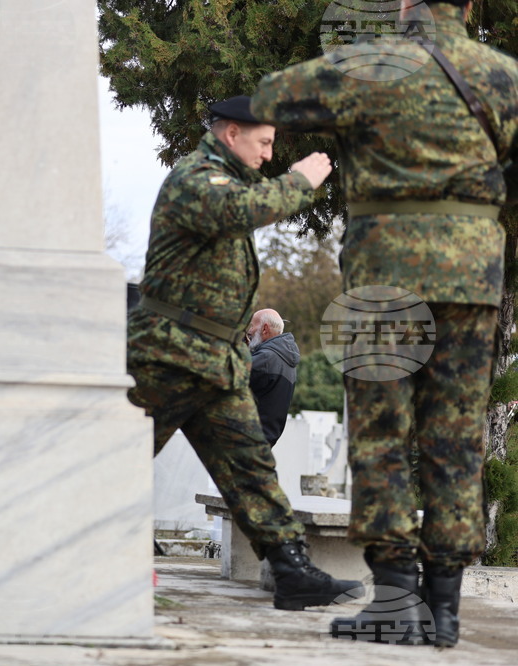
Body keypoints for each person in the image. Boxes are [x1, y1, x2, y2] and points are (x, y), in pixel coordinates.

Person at [252, 0, 517, 647]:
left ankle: (397, 600)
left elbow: (270, 96)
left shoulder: (368, 65)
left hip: (383, 280)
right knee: (456, 437)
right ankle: (447, 608)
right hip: (471, 281)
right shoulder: (502, 75)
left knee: (382, 439)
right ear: (471, 7)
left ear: (405, 6)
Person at [127, 95, 361, 611]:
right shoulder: (195, 178)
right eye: (264, 141)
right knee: (114, 459)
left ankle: (292, 570)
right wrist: (301, 180)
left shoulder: (226, 180)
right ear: (231, 133)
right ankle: (31, 547)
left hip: (216, 361)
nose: (269, 154)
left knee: (252, 468)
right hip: (169, 354)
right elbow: (240, 210)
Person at [246, 309, 300, 447]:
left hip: (250, 437)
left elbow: (232, 375)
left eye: (252, 325)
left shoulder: (266, 358)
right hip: (265, 439)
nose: (249, 331)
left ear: (265, 329)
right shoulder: (284, 358)